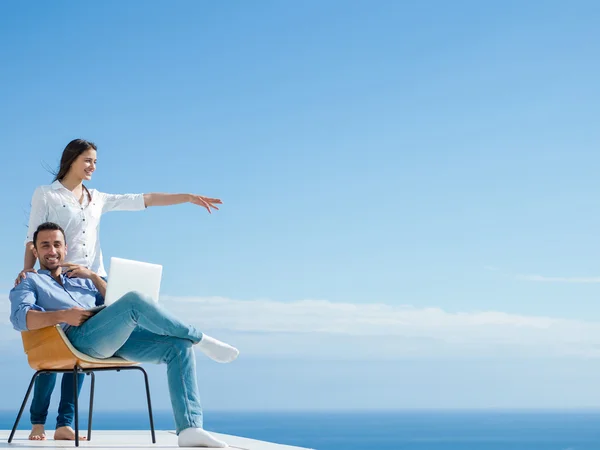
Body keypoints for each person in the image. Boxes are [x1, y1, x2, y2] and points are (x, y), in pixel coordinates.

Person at [14, 138, 222, 441]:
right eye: (87, 160)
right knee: (53, 348)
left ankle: (66, 422)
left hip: (93, 281)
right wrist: (32, 273)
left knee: (82, 356)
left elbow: (144, 199)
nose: (93, 167)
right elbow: (34, 238)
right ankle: (38, 423)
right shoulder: (47, 194)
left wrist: (187, 197)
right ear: (71, 159)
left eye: (96, 161)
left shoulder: (97, 198)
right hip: (58, 278)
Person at [10, 222, 239, 448]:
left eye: (57, 244)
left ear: (66, 248)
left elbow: (114, 301)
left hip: (112, 337)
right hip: (76, 339)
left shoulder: (82, 279)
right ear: (36, 250)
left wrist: (93, 277)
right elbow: (20, 318)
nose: (52, 251)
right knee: (134, 300)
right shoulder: (30, 281)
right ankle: (200, 338)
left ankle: (190, 429)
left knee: (179, 347)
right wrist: (64, 315)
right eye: (45, 245)